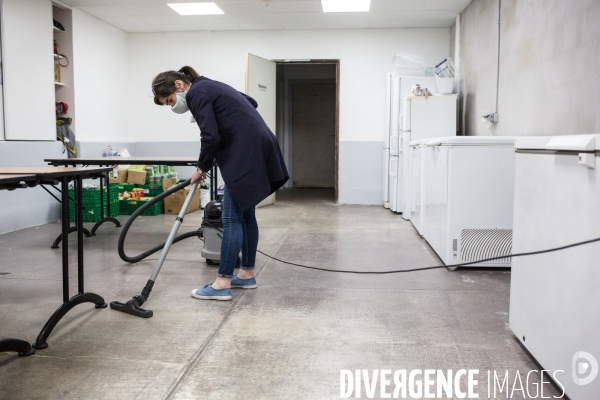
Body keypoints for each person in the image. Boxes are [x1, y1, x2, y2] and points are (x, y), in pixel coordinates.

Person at [151, 66, 288, 301]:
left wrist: (201, 166)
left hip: (245, 152)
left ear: (178, 85)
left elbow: (210, 136)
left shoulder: (196, 93)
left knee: (231, 217)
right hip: (259, 145)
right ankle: (246, 274)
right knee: (246, 215)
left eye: (170, 100)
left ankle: (222, 283)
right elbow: (250, 102)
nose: (172, 106)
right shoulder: (210, 85)